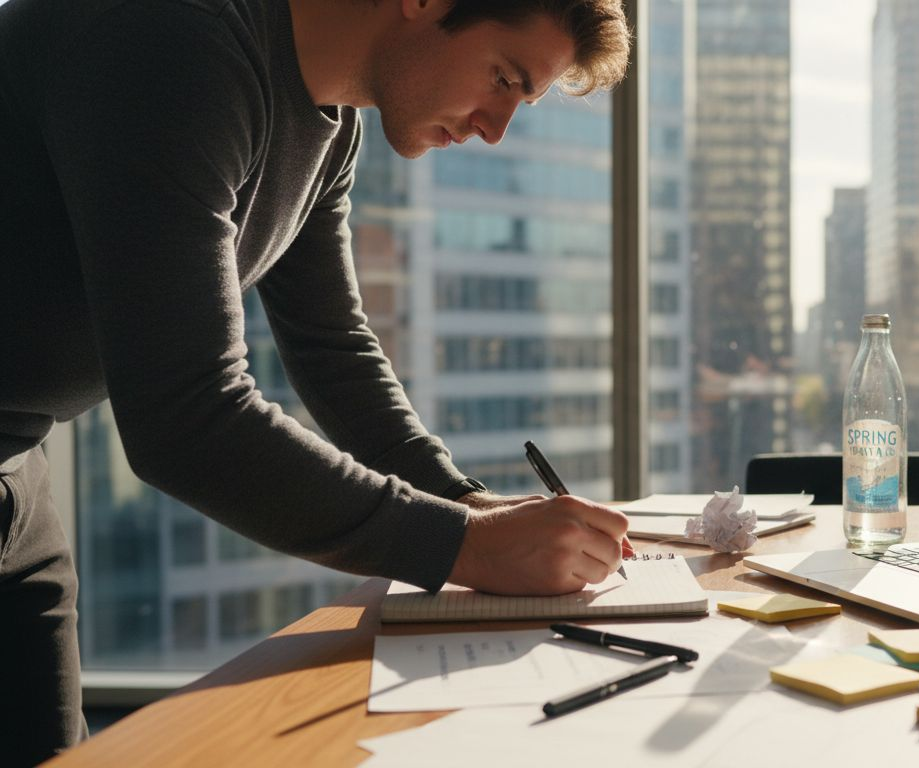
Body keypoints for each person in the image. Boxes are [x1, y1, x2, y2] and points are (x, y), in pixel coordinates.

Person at [0, 0, 631, 763]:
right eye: (503, 78)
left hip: (17, 468)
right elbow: (185, 418)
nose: (495, 129)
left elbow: (331, 345)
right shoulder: (174, 39)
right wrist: (464, 547)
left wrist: (462, 502)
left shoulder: (333, 123)